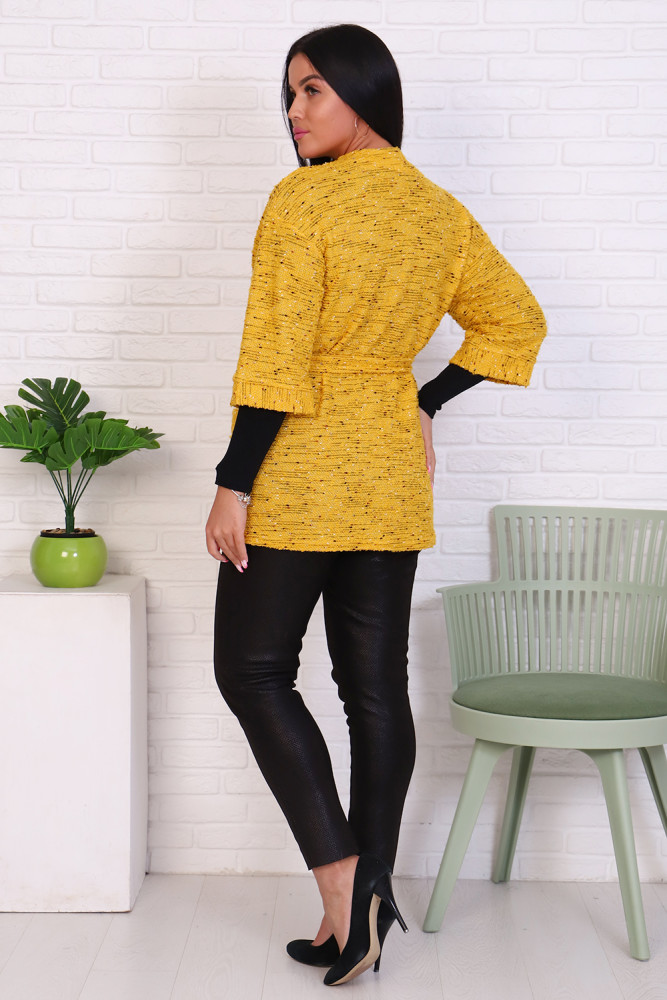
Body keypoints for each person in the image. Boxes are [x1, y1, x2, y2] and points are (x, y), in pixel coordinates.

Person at [206, 23, 546, 987]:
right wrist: (421, 401)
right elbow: (517, 321)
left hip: (301, 470)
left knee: (252, 671)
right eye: (289, 92)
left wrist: (234, 479)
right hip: (390, 469)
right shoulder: (437, 211)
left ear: (364, 91)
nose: (293, 110)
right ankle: (367, 904)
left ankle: (343, 882)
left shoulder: (303, 200)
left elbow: (275, 356)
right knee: (373, 691)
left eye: (312, 89)